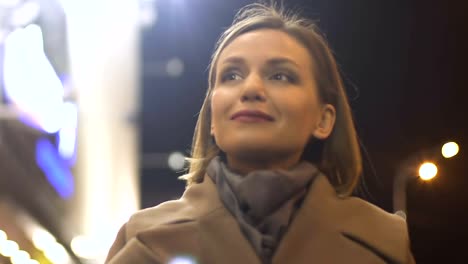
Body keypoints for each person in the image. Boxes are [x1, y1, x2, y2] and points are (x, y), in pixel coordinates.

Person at [105, 3, 415, 264]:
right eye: (232, 75)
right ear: (213, 118)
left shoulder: (384, 242)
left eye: (281, 75)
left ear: (323, 119)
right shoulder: (142, 238)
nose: (251, 88)